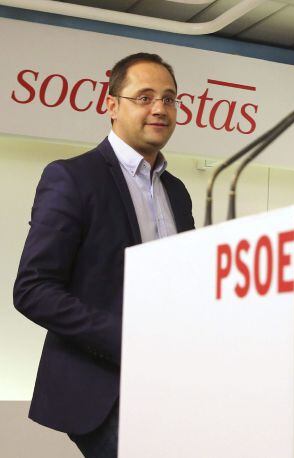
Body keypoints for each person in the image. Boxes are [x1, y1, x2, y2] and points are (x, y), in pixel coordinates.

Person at [14, 53, 195, 458]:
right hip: (103, 387)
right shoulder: (72, 177)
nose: (159, 108)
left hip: (171, 381)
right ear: (111, 105)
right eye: (144, 97)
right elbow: (33, 289)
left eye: (169, 99)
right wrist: (126, 339)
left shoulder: (177, 191)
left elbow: (185, 281)